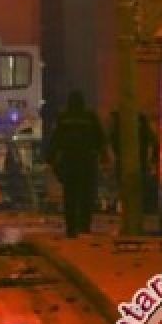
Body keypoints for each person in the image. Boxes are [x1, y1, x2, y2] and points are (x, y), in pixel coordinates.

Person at [48, 91, 106, 238]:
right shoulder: (90, 117)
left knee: (70, 196)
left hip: (70, 161)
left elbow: (55, 140)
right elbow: (100, 138)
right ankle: (85, 225)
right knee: (87, 195)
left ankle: (71, 228)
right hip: (87, 161)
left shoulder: (64, 118)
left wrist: (51, 159)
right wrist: (102, 155)